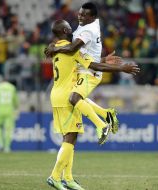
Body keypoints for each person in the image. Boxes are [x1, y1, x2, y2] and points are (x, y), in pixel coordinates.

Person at [46, 20, 139, 190]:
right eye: (69, 26)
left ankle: (68, 178)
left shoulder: (55, 48)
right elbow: (93, 65)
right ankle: (55, 177)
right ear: (66, 30)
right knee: (71, 138)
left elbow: (81, 61)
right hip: (67, 96)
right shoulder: (72, 48)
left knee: (69, 138)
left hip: (57, 94)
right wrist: (121, 68)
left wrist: (104, 58)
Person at [45, 2, 120, 139]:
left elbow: (72, 49)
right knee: (78, 98)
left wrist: (54, 48)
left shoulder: (88, 30)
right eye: (80, 13)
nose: (80, 17)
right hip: (84, 68)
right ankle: (107, 114)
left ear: (92, 17)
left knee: (74, 98)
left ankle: (101, 125)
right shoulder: (85, 25)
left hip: (89, 72)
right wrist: (52, 44)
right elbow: (68, 40)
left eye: (84, 15)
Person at [0, 78, 18, 152]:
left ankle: (0, 144)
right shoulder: (12, 87)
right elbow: (15, 100)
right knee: (8, 129)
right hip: (9, 110)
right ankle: (7, 147)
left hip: (0, 110)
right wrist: (16, 107)